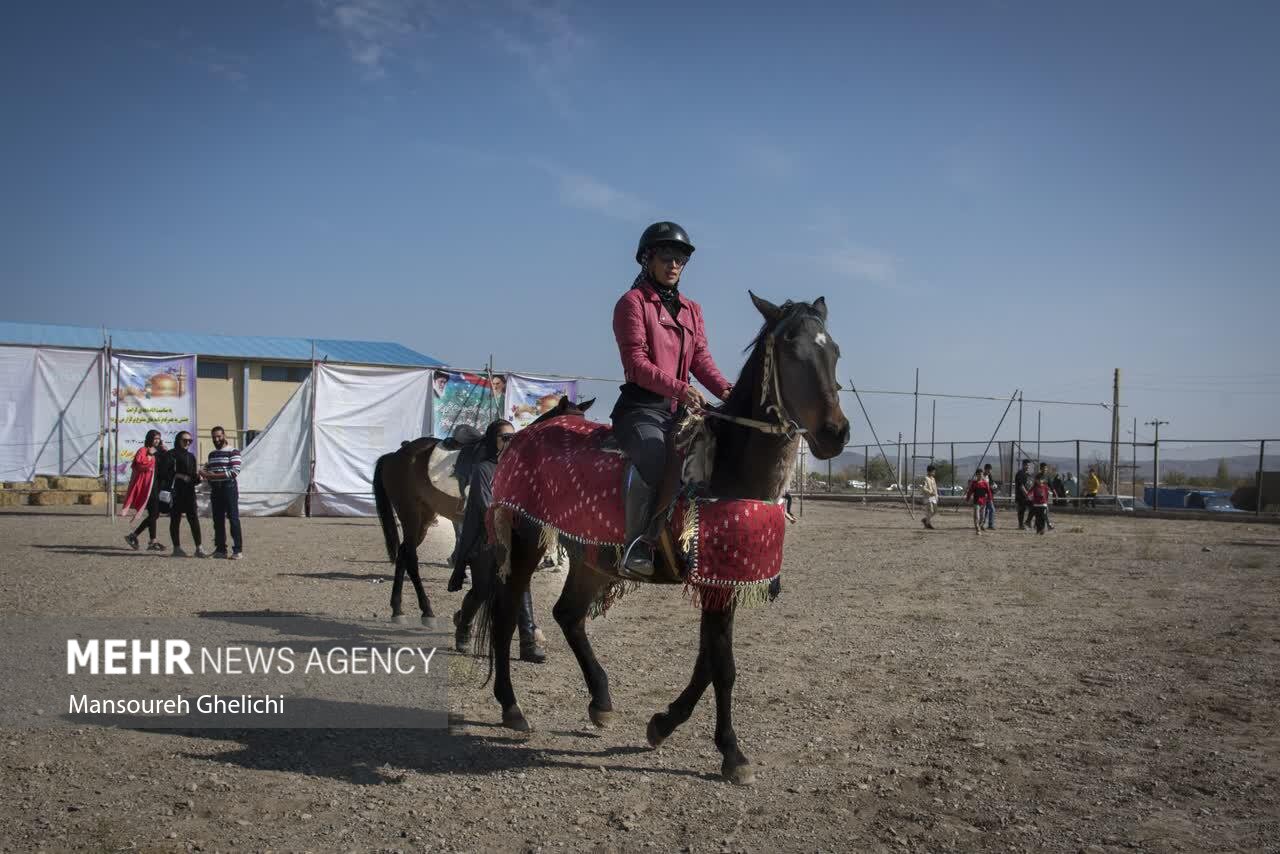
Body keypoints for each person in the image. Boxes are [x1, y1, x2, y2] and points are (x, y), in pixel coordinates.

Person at [611, 221, 732, 577]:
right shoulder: (631, 303)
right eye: (666, 257)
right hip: (641, 409)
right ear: (647, 260)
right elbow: (636, 363)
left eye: (680, 259)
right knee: (654, 456)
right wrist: (680, 388)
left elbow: (701, 360)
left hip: (681, 410)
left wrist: (726, 391)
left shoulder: (692, 309)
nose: (674, 265)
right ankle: (638, 545)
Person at [450, 420, 546, 663]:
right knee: (482, 590)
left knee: (521, 585)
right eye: (505, 437)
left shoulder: (521, 468)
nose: (510, 442)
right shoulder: (483, 469)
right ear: (494, 440)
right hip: (486, 538)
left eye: (514, 437)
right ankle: (463, 624)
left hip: (515, 536)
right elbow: (485, 505)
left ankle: (527, 643)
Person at [201, 426, 243, 559]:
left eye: (219, 436)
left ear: (224, 436)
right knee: (217, 520)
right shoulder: (212, 454)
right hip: (216, 489)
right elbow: (208, 468)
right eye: (214, 437)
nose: (216, 439)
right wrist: (204, 471)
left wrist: (212, 476)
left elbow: (234, 472)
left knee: (233, 518)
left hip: (228, 488)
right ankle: (220, 550)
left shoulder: (233, 452)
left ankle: (237, 550)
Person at [124, 432, 168, 551]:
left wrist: (165, 452)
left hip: (159, 486)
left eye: (159, 439)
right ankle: (152, 541)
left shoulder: (160, 451)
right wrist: (149, 454)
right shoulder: (143, 450)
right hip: (148, 487)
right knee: (154, 514)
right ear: (149, 439)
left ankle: (134, 536)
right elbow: (138, 464)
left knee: (155, 514)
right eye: (155, 439)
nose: (157, 441)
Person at [167, 431, 206, 558]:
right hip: (176, 492)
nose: (188, 442)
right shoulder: (171, 454)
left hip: (189, 492)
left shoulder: (191, 456)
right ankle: (176, 548)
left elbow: (192, 476)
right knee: (175, 519)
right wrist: (179, 475)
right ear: (178, 440)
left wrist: (198, 478)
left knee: (193, 519)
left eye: (190, 441)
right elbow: (164, 473)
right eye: (185, 440)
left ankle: (199, 548)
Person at [964, 468, 993, 535]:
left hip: (983, 502)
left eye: (981, 474)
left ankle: (979, 526)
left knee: (982, 517)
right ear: (976, 475)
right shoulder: (974, 483)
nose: (980, 476)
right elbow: (970, 492)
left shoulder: (985, 483)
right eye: (979, 474)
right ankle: (977, 528)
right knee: (977, 516)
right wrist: (967, 499)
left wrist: (990, 499)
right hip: (976, 502)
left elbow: (988, 492)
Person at [1014, 459, 1034, 530]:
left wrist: (1031, 494)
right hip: (1021, 496)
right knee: (1021, 510)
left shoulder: (1028, 474)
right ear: (1023, 465)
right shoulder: (1020, 474)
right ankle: (1021, 525)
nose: (1027, 467)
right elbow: (1021, 486)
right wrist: (1027, 494)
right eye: (1026, 465)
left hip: (1028, 496)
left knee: (1033, 508)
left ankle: (1028, 521)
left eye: (1028, 465)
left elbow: (1030, 485)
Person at [920, 464, 939, 530]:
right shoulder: (926, 478)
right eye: (933, 471)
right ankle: (928, 524)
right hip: (928, 497)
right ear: (929, 471)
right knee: (930, 510)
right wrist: (930, 492)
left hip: (933, 497)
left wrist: (936, 496)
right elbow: (923, 488)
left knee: (935, 511)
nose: (934, 473)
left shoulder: (933, 479)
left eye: (934, 471)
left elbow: (935, 488)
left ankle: (926, 520)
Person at [1038, 462, 1055, 530]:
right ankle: (1048, 525)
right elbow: (1036, 486)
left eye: (1046, 468)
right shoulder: (1038, 476)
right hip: (1039, 497)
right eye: (1044, 468)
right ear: (1041, 468)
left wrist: (1055, 494)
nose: (1045, 469)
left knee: (1043, 512)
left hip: (1045, 497)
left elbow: (1051, 486)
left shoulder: (1047, 476)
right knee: (1043, 511)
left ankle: (1037, 524)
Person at [982, 463, 999, 529]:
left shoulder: (989, 476)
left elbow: (992, 484)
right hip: (984, 496)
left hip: (989, 496)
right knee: (985, 510)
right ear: (985, 469)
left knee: (991, 509)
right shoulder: (982, 476)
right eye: (988, 470)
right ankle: (984, 524)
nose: (989, 471)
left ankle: (990, 524)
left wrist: (994, 486)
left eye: (990, 470)